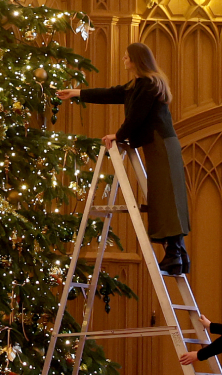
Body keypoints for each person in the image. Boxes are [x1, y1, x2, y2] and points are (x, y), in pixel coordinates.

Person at [57, 41, 191, 274]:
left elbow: (137, 117)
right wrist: (76, 93)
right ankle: (177, 254)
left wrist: (118, 135)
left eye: (127, 57)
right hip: (156, 143)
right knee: (163, 196)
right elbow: (111, 93)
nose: (124, 60)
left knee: (166, 198)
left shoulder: (150, 85)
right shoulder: (138, 84)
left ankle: (175, 255)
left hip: (161, 143)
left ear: (137, 59)